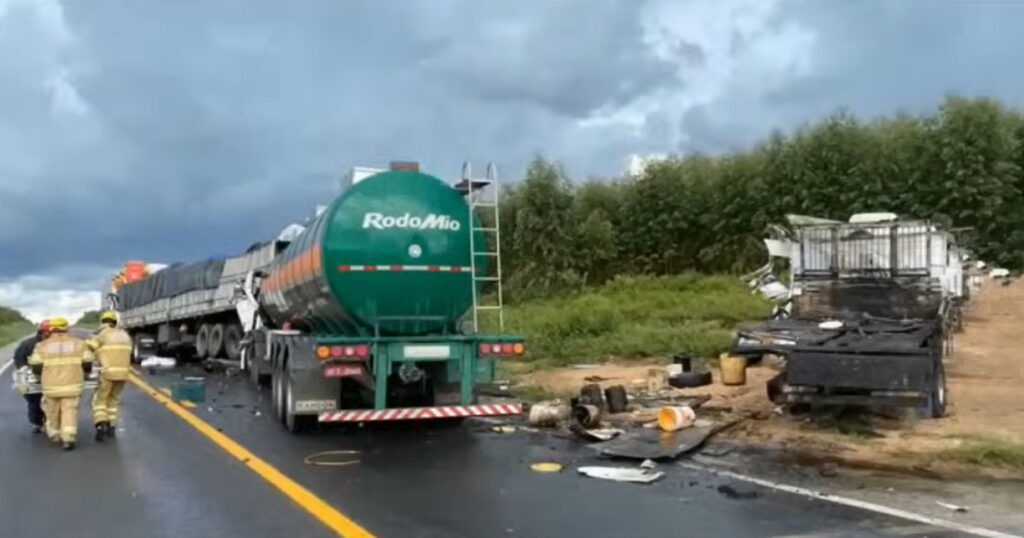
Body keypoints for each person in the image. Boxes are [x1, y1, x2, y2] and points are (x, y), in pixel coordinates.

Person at [28, 317, 94, 451]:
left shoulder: (42, 346)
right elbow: (87, 364)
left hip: (50, 386)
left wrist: (43, 375)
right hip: (72, 385)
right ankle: (68, 439)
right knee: (69, 411)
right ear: (66, 328)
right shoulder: (79, 343)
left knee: (52, 412)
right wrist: (82, 373)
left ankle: (55, 434)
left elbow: (35, 366)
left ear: (51, 329)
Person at [87, 311, 132, 442]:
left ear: (102, 321)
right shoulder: (125, 335)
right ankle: (112, 427)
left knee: (100, 401)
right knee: (113, 400)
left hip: (107, 373)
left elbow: (90, 347)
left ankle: (101, 426)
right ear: (115, 322)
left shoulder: (102, 334)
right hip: (123, 373)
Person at [13, 320, 51, 433]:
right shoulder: (28, 344)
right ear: (44, 332)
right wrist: (25, 370)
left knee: (52, 401)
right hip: (32, 378)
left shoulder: (54, 344)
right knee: (34, 401)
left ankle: (49, 421)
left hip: (51, 377)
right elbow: (19, 359)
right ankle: (37, 422)